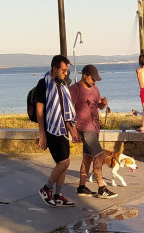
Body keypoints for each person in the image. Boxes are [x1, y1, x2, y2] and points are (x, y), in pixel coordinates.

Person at [31, 54, 81, 206]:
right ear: (55, 68)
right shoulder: (44, 84)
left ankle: (59, 195)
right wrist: (42, 134)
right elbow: (40, 111)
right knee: (64, 163)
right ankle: (47, 189)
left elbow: (65, 110)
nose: (66, 73)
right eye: (63, 70)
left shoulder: (62, 85)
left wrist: (72, 130)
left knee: (62, 165)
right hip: (50, 129)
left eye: (67, 71)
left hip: (62, 128)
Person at [70, 64, 117, 199]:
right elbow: (68, 109)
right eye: (92, 78)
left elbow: (99, 105)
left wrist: (103, 103)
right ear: (84, 75)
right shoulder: (75, 89)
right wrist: (73, 130)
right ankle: (101, 187)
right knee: (99, 155)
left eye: (96, 79)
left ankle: (81, 187)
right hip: (84, 128)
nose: (94, 81)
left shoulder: (95, 87)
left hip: (95, 127)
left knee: (88, 157)